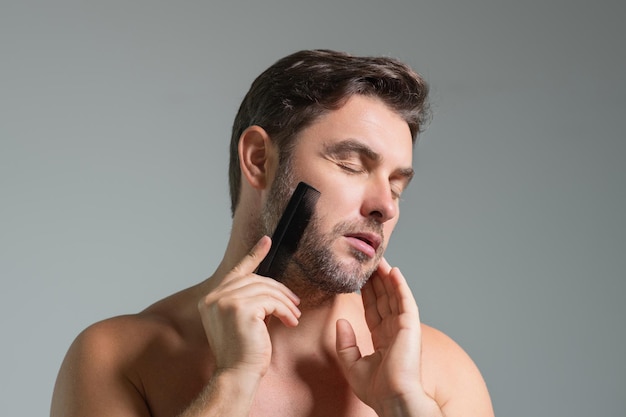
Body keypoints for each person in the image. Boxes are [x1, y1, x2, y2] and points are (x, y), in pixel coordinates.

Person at [51, 49, 494, 417]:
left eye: (398, 185)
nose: (386, 205)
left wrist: (404, 404)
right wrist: (231, 385)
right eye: (352, 165)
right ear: (260, 159)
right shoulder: (117, 360)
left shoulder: (438, 373)